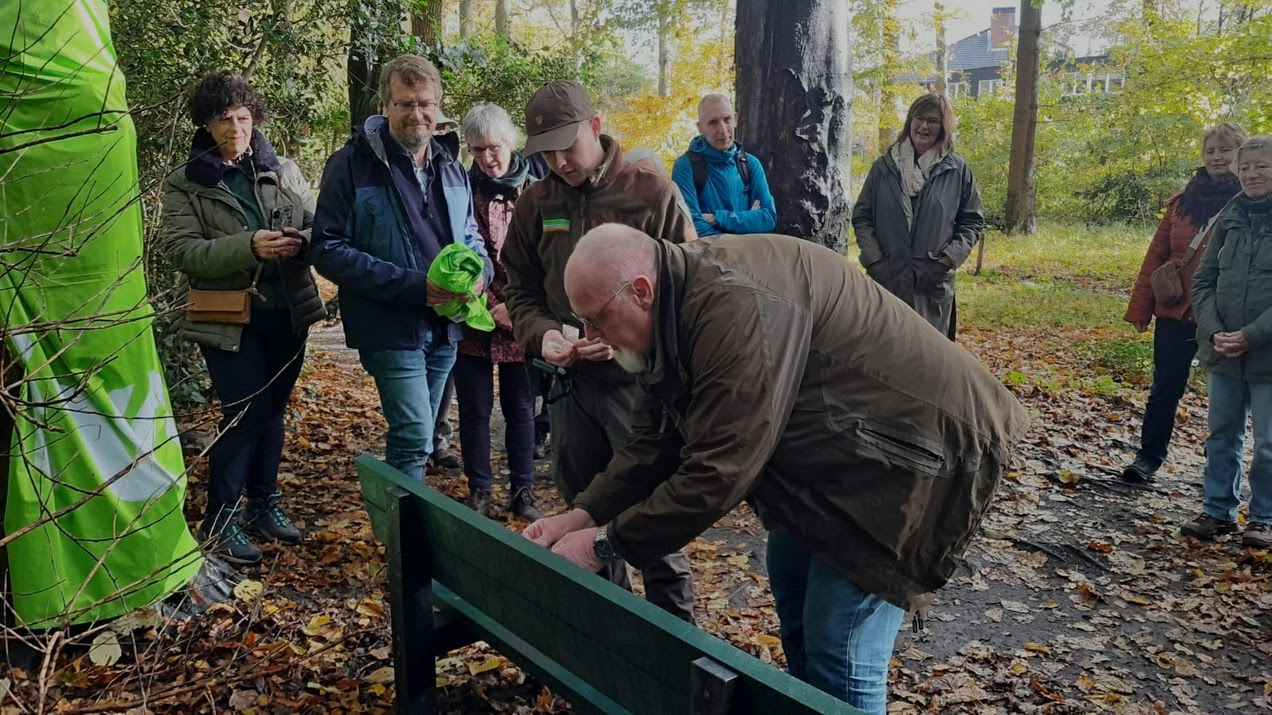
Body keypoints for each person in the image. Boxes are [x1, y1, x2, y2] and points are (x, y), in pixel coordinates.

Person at [525, 225, 1029, 712]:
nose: (593, 338)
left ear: (640, 290)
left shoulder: (732, 306)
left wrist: (608, 544)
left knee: (839, 650)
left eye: (597, 319)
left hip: (913, 459)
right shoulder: (675, 308)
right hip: (825, 469)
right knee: (797, 615)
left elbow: (720, 468)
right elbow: (654, 442)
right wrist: (583, 515)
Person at [501, 79, 698, 623]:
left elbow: (691, 294)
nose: (560, 161)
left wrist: (632, 342)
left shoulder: (651, 195)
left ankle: (678, 659)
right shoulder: (536, 203)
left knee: (652, 522)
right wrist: (543, 335)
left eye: (569, 145)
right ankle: (611, 643)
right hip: (569, 391)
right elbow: (518, 287)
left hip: (641, 393)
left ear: (595, 126)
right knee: (582, 518)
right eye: (547, 152)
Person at [160, 71, 326, 565]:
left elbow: (321, 226)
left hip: (287, 313)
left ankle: (263, 505)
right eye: (224, 119)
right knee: (244, 413)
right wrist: (247, 246)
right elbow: (180, 250)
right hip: (228, 318)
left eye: (244, 117)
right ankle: (221, 519)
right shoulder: (186, 184)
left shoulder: (283, 171)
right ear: (206, 126)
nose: (236, 127)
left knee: (273, 412)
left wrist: (304, 244)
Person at [311, 55, 492, 482]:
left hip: (447, 324)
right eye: (405, 104)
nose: (417, 114)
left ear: (439, 105)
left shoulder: (450, 165)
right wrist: (414, 287)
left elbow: (470, 234)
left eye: (426, 104)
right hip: (388, 324)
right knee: (412, 435)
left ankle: (404, 528)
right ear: (385, 106)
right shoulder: (352, 163)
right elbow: (327, 248)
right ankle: (403, 544)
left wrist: (481, 270)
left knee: (424, 436)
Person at [1121, 123, 1247, 483]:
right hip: (1176, 311)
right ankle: (1148, 457)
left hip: (1225, 315)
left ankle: (1220, 460)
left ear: (1242, 155)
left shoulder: (1252, 204)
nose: (1218, 157)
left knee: (1226, 392)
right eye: (1211, 151)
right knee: (1165, 388)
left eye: (1227, 150)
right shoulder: (1181, 204)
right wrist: (1140, 309)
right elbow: (1156, 256)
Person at [454, 103, 547, 519]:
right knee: (473, 409)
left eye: (493, 148)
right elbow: (456, 252)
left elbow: (549, 256)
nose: (487, 158)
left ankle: (523, 491)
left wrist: (518, 307)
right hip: (474, 313)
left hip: (524, 313)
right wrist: (491, 304)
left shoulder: (536, 188)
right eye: (476, 151)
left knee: (521, 408)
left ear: (509, 143)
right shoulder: (460, 190)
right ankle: (480, 490)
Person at [1183, 135, 1272, 549]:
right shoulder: (1229, 214)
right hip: (1222, 351)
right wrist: (1214, 329)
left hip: (1266, 353)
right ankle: (1218, 511)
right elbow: (1203, 279)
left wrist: (1251, 336)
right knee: (1221, 433)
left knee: (1269, 444)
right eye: (1247, 167)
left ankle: (1263, 518)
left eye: (1263, 166)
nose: (1254, 174)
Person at [852, 93, 984, 340]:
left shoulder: (957, 170)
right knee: (885, 353)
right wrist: (875, 262)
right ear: (909, 121)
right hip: (887, 279)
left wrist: (944, 262)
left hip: (931, 285)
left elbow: (972, 221)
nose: (924, 126)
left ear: (943, 127)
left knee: (930, 359)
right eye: (919, 118)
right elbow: (862, 217)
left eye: (932, 121)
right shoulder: (884, 167)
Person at [671, 93, 776, 237]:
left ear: (736, 119)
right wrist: (747, 221)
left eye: (727, 119)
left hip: (748, 256)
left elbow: (768, 217)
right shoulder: (685, 167)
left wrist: (717, 218)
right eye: (713, 122)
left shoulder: (750, 164)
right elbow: (692, 226)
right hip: (709, 257)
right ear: (700, 127)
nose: (722, 129)